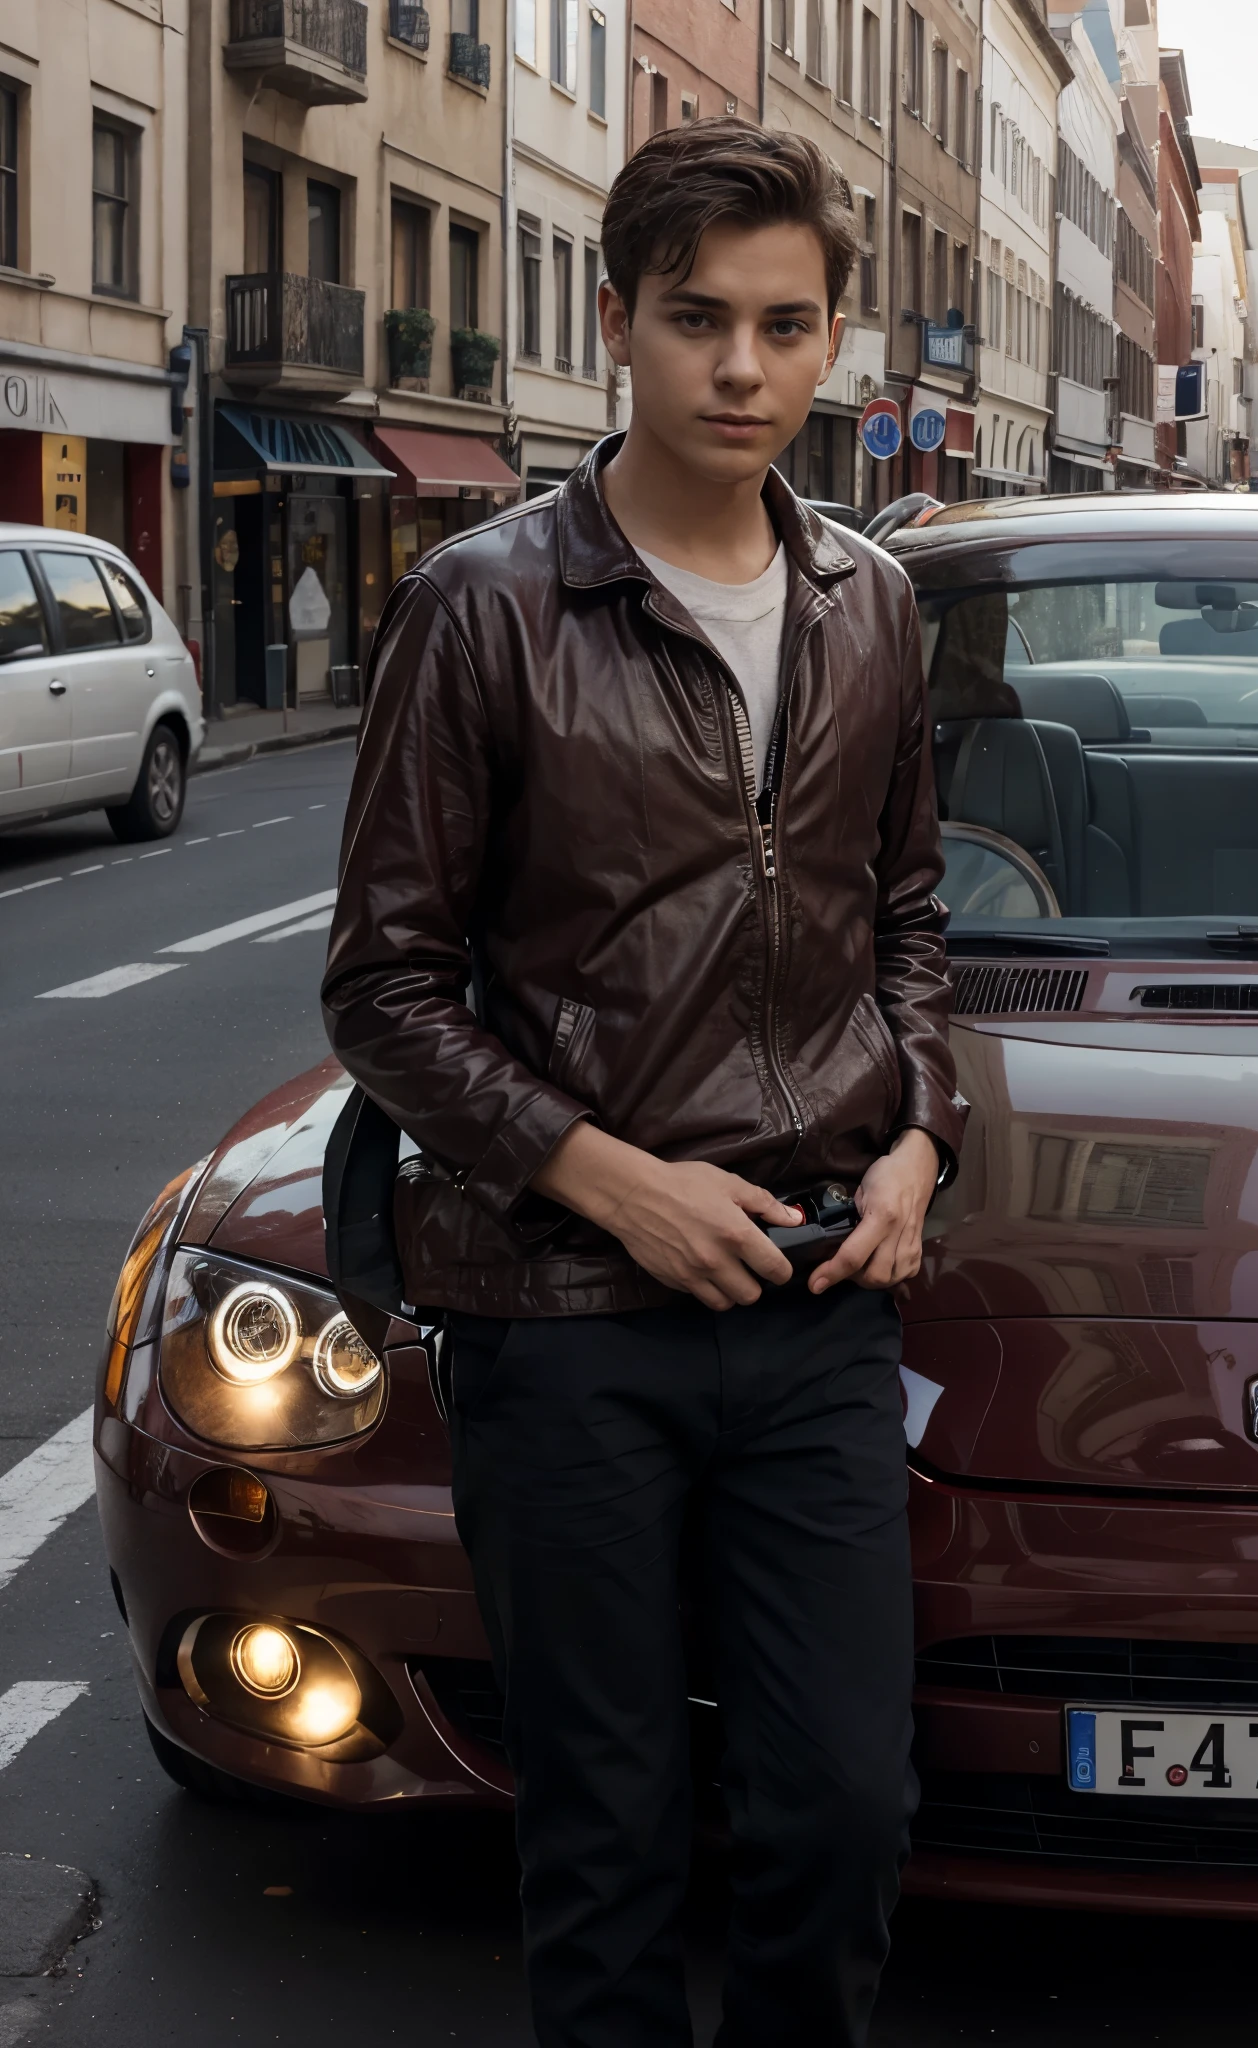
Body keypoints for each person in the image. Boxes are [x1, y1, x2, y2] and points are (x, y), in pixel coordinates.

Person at [320, 120, 964, 2048]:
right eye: (698, 320)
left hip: (817, 1297)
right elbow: (383, 987)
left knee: (845, 1809)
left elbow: (909, 919)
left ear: (834, 337)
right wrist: (605, 1177)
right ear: (619, 323)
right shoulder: (487, 604)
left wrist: (924, 1134)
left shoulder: (872, 604)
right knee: (604, 1835)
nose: (743, 369)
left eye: (784, 325)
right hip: (564, 1312)